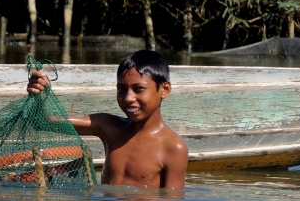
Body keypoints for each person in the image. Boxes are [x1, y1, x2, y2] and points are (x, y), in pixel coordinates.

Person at [27, 50, 187, 189]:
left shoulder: (173, 147)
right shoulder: (109, 128)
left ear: (164, 90)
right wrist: (41, 93)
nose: (129, 98)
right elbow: (42, 122)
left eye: (139, 89)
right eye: (121, 89)